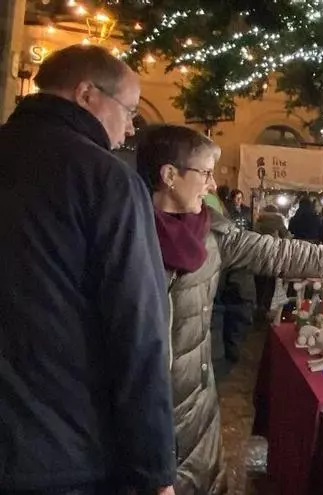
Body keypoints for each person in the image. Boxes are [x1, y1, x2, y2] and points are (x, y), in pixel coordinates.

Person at [137, 125, 323, 493]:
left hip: (198, 399)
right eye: (205, 173)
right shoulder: (128, 238)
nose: (212, 185)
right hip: (149, 409)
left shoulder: (210, 234)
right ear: (169, 175)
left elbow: (276, 251)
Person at [0, 45, 175, 494]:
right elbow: (138, 330)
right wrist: (156, 471)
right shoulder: (107, 179)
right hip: (63, 453)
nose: (130, 127)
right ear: (86, 95)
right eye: (129, 111)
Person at [253, 204, 292, 327]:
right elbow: (286, 235)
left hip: (258, 254)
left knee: (259, 284)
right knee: (270, 285)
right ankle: (265, 311)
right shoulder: (278, 220)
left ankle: (257, 309)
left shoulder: (259, 220)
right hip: (273, 255)